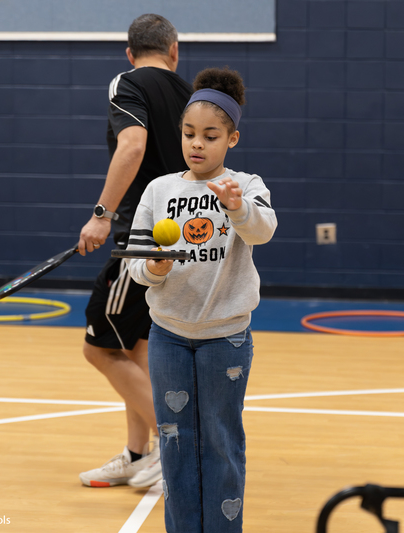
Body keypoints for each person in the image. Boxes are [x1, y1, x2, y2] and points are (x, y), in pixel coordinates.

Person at [127, 67, 277, 532]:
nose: (197, 144)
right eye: (189, 134)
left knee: (221, 441)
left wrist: (236, 205)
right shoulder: (159, 190)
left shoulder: (246, 186)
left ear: (232, 138)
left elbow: (263, 230)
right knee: (174, 443)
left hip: (225, 341)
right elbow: (135, 263)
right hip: (168, 337)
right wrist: (154, 268)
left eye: (210, 136)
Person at [77, 14, 193, 489]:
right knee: (136, 349)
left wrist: (102, 214)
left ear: (130, 53)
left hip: (141, 240)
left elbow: (132, 143)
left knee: (99, 348)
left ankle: (176, 447)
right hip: (184, 236)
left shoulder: (127, 82)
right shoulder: (190, 93)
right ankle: (135, 452)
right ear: (174, 50)